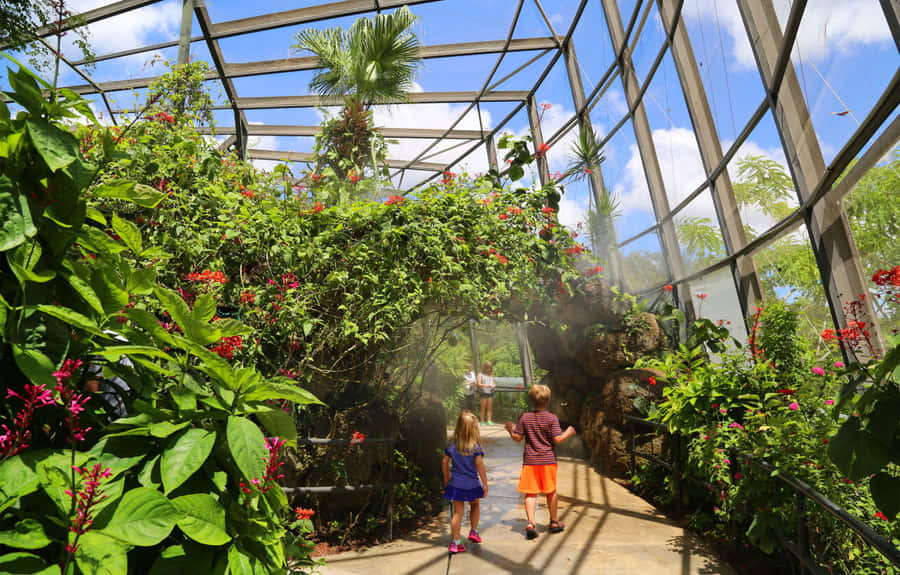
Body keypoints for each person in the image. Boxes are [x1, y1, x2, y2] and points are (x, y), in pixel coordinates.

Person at [504, 384, 576, 540]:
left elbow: (517, 438)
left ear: (531, 401)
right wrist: (568, 432)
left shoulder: (525, 417)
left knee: (531, 492)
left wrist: (510, 428)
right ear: (548, 401)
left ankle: (530, 523)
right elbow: (557, 439)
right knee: (551, 491)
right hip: (548, 461)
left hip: (530, 462)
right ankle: (554, 522)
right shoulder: (552, 418)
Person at [442, 411, 488, 554]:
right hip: (472, 484)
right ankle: (473, 531)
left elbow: (444, 461)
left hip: (456, 484)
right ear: (474, 429)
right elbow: (480, 466)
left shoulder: (452, 446)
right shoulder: (475, 448)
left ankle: (455, 542)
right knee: (475, 505)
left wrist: (446, 477)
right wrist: (485, 484)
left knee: (458, 513)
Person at [477, 361, 496, 425]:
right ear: (484, 367)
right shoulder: (480, 374)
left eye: (490, 368)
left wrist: (494, 386)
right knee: (483, 407)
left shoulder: (491, 374)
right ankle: (482, 421)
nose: (489, 369)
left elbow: (493, 382)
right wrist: (486, 386)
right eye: (488, 368)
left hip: (490, 392)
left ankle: (489, 420)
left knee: (489, 407)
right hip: (483, 392)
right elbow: (479, 383)